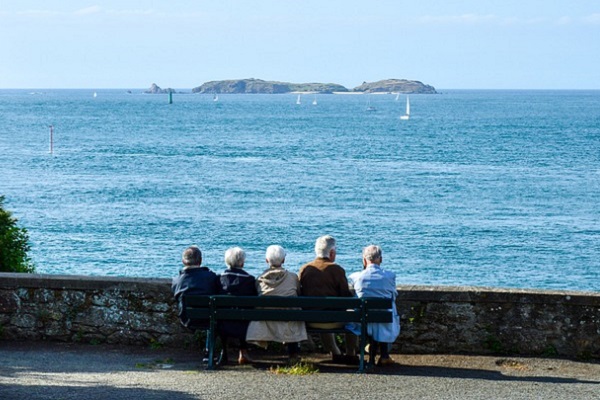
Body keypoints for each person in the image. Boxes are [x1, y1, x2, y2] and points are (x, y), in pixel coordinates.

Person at [298, 235, 358, 362]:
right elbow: (346, 297)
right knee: (352, 315)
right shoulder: (337, 269)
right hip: (332, 320)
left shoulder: (305, 269)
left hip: (311, 319)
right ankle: (351, 353)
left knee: (321, 311)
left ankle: (335, 352)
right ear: (331, 252)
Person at [246, 245, 307, 363]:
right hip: (289, 321)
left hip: (266, 321)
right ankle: (293, 354)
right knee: (292, 314)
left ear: (266, 261)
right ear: (283, 260)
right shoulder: (293, 277)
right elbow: (298, 294)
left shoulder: (259, 279)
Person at [348, 245, 400, 366]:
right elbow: (394, 295)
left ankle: (372, 354)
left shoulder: (355, 277)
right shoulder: (390, 276)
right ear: (380, 259)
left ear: (364, 260)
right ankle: (384, 356)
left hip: (362, 320)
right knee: (384, 314)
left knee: (371, 318)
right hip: (384, 319)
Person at [172, 245, 222, 363]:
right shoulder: (211, 277)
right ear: (200, 260)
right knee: (212, 316)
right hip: (209, 318)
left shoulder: (177, 280)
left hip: (187, 318)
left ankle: (207, 351)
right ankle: (209, 351)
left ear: (183, 261)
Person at [218, 247, 257, 365]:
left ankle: (223, 352)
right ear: (242, 263)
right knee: (243, 313)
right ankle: (243, 351)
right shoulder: (250, 280)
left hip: (222, 323)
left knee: (225, 314)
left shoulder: (219, 279)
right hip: (244, 324)